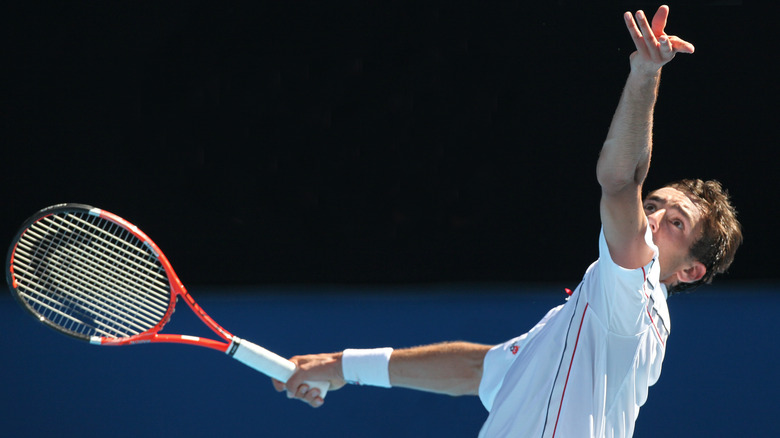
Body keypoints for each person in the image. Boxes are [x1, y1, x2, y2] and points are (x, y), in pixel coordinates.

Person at [271, 5, 743, 437]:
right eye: (657, 204)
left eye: (676, 222)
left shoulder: (634, 298)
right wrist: (340, 366)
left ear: (689, 270)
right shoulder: (585, 318)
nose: (655, 217)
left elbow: (620, 183)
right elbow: (480, 371)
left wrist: (644, 74)